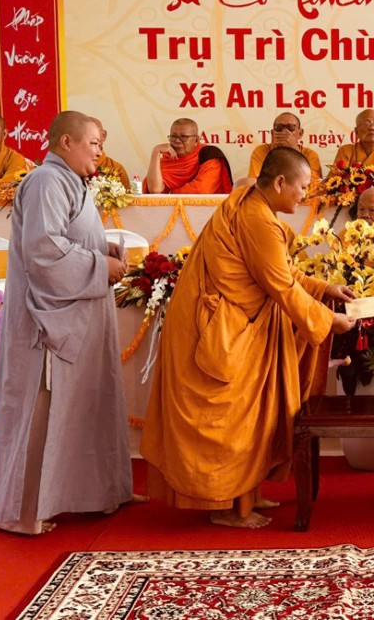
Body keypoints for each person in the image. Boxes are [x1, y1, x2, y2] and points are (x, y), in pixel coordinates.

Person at [141, 147, 357, 528]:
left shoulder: (250, 202)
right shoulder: (257, 219)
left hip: (234, 321)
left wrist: (325, 288)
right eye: (302, 187)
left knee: (250, 415)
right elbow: (281, 286)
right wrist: (328, 321)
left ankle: (245, 492)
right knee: (228, 418)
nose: (305, 195)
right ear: (280, 183)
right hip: (219, 330)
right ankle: (226, 507)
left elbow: (278, 271)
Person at [0, 111, 142, 535]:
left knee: (88, 404)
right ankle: (27, 512)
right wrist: (100, 266)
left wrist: (102, 247)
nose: (100, 152)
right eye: (94, 143)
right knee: (44, 408)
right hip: (49, 323)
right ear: (66, 142)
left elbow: (66, 237)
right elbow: (43, 251)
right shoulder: (46, 181)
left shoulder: (68, 180)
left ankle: (94, 493)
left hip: (79, 315)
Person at [143, 117, 233, 193]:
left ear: (196, 140)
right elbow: (155, 189)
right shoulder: (168, 157)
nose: (177, 141)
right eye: (173, 136)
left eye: (183, 137)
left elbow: (202, 189)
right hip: (167, 207)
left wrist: (171, 195)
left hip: (204, 208)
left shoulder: (208, 153)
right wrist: (155, 152)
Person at [246, 112, 323, 179]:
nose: (284, 132)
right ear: (273, 133)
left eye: (290, 128)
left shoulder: (310, 155)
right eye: (279, 128)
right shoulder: (261, 151)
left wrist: (294, 152)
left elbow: (313, 184)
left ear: (300, 133)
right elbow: (257, 182)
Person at [90, 117, 130, 188]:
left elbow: (126, 194)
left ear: (104, 135)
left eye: (94, 131)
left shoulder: (116, 168)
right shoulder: (73, 167)